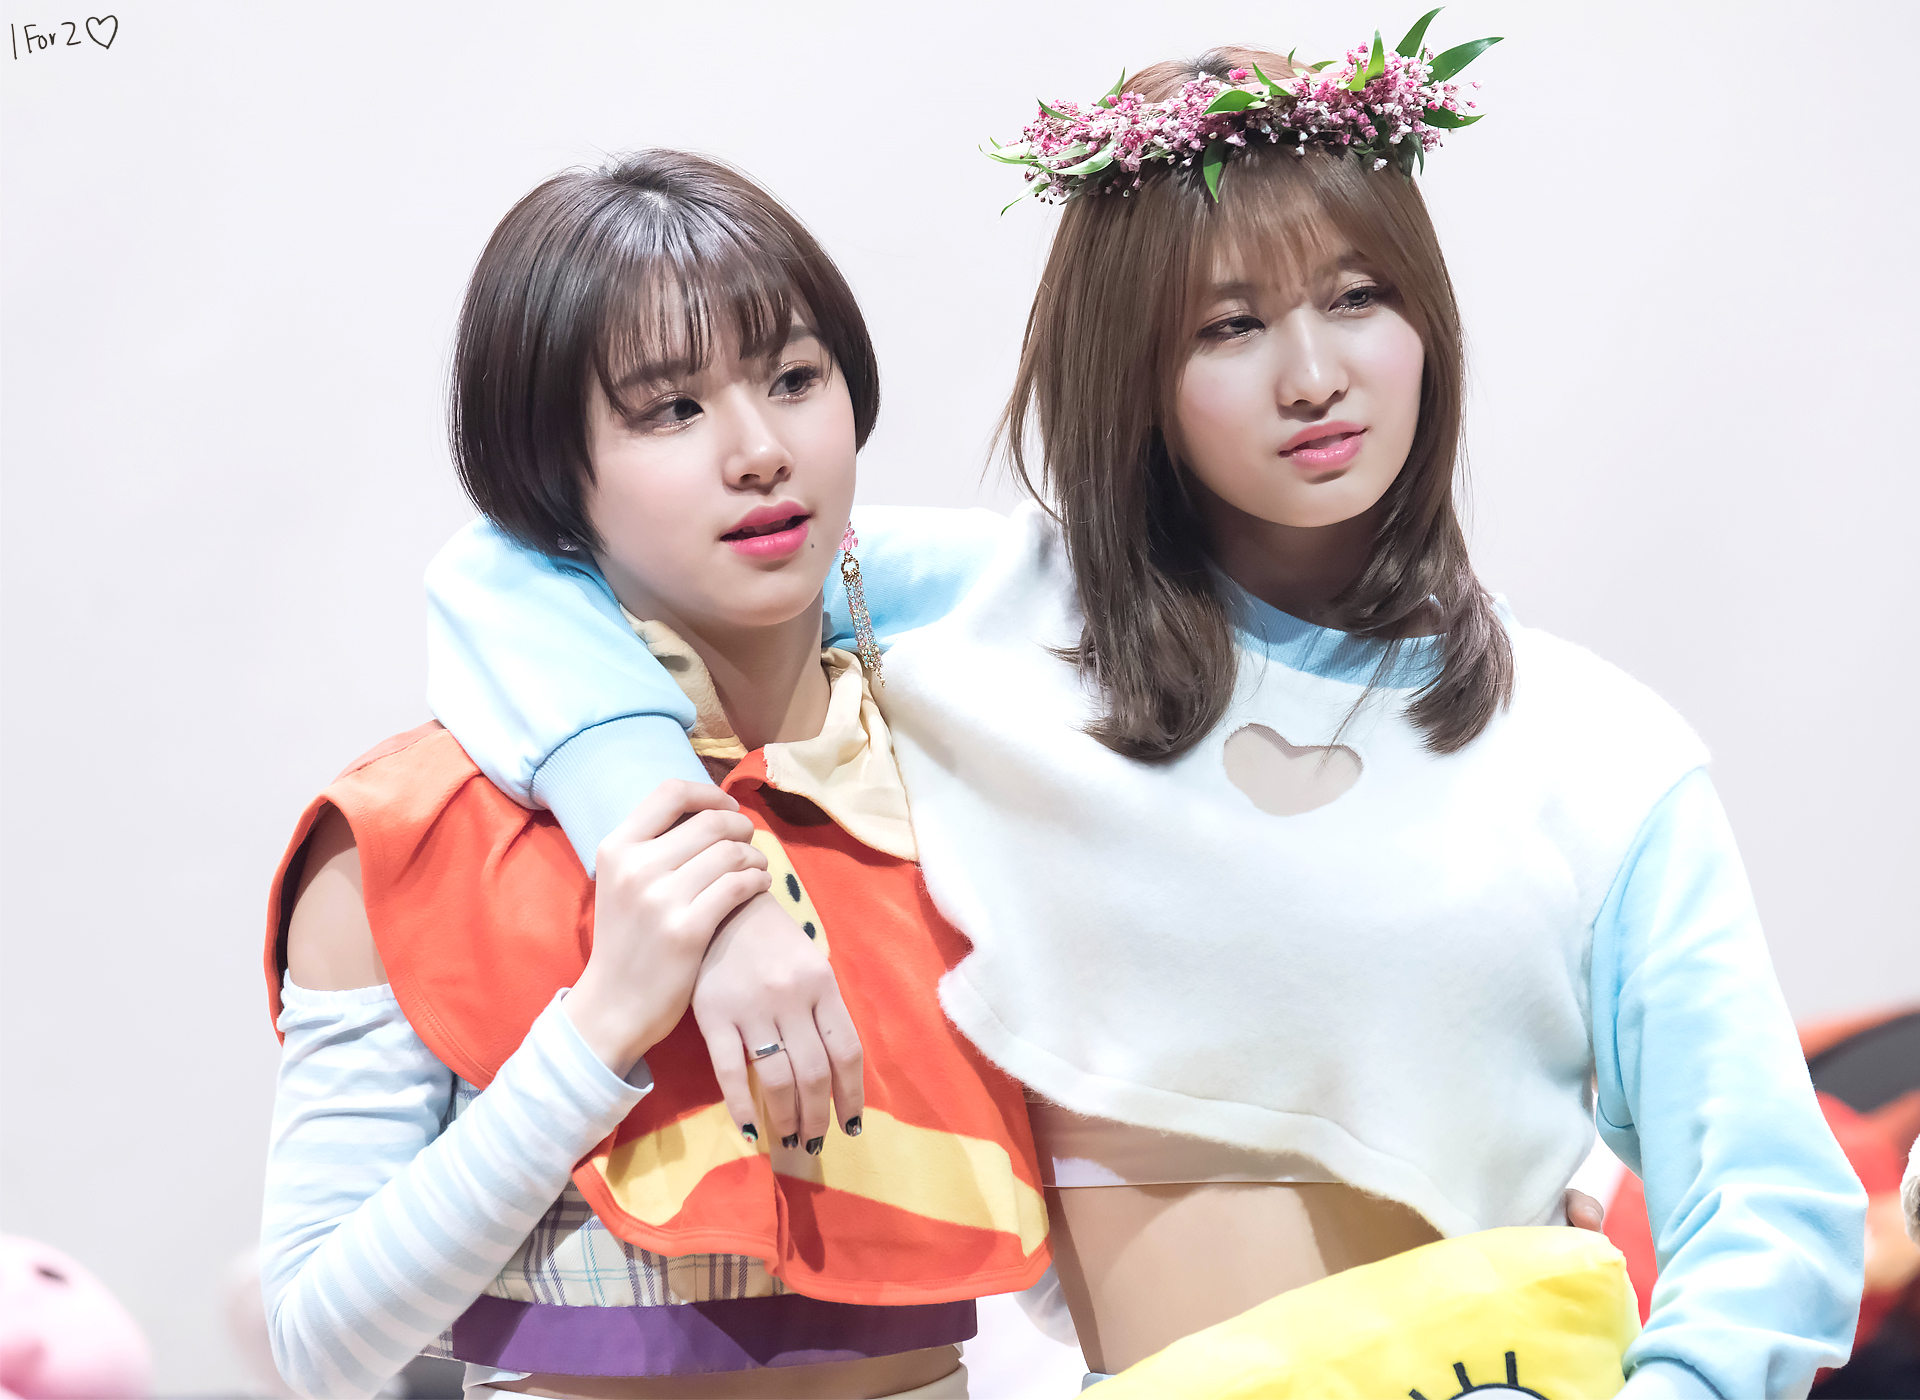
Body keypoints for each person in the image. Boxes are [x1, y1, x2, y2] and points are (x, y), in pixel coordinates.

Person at [417, 32, 1866, 1400]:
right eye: (1230, 324)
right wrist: (707, 887)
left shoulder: (1595, 746)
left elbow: (1771, 1200)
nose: (1314, 375)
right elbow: (518, 571)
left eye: (1359, 297)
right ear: (1132, 372)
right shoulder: (998, 625)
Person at [259, 150, 1048, 1400]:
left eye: (795, 379)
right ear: (547, 475)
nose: (759, 449)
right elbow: (320, 1342)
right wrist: (603, 1018)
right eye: (670, 409)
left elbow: (1085, 1219)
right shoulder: (410, 833)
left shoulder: (948, 771)